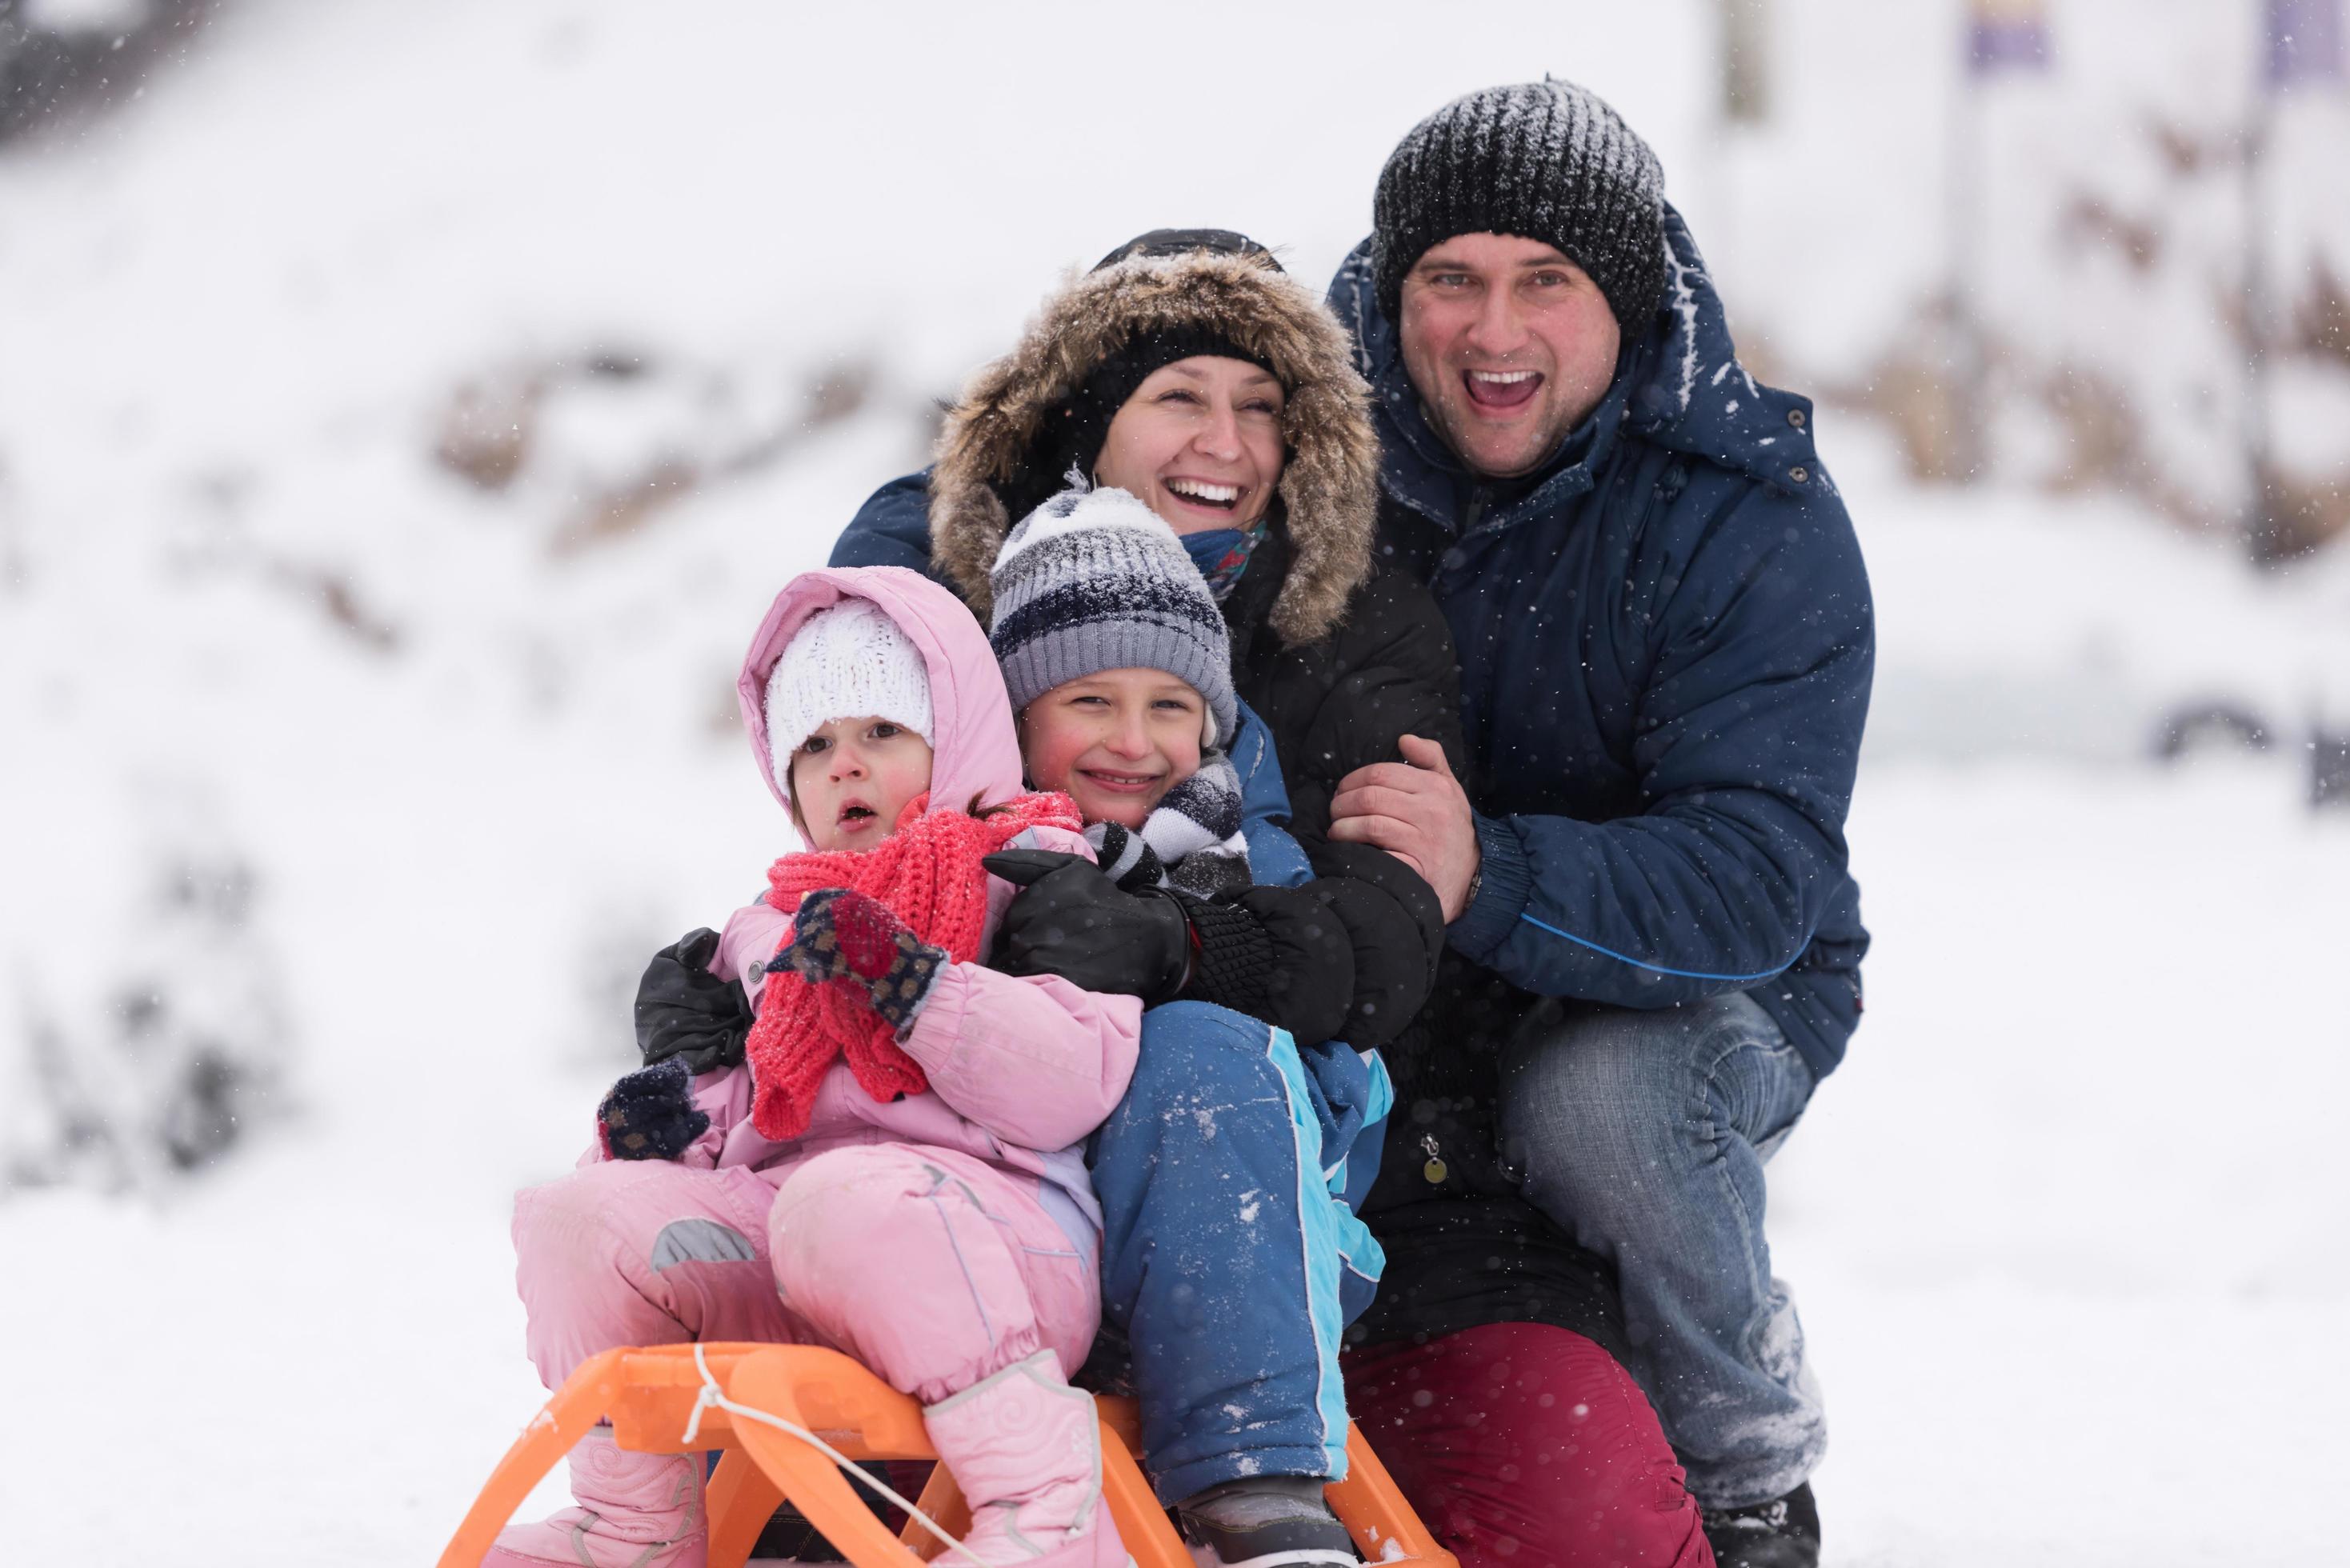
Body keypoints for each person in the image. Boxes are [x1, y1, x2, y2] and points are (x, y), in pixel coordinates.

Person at [824, 231, 1711, 1568]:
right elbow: (846, 855)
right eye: (1181, 395)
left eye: (1262, 407)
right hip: (975, 1152)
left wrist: (1178, 942)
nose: (1226, 442)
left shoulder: (1351, 624)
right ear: (1085, 418)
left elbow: (1382, 932)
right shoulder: (946, 600)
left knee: (1585, 1510)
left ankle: (1258, 1490)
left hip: (1343, 1173)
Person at [1319, 81, 1876, 1568]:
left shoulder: (1744, 510)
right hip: (1405, 982)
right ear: (1392, 293)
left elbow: (1754, 883)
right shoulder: (1319, 444)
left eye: (1543, 285)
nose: (1493, 335)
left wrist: (1485, 871)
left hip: (1713, 990)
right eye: (1451, 281)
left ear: (1621, 298)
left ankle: (1745, 1470)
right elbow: (1047, 458)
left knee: (1600, 1108)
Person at [498, 566, 1142, 1568]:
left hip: (1001, 1245)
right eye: (815, 744)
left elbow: (1069, 1082)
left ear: (954, 736)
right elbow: (741, 1128)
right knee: (580, 1217)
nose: (847, 767)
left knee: (844, 1201)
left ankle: (1043, 1509)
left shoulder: (1037, 877)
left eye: (881, 732)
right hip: (798, 1246)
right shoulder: (768, 935)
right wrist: (668, 1116)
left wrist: (914, 984)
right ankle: (634, 1527)